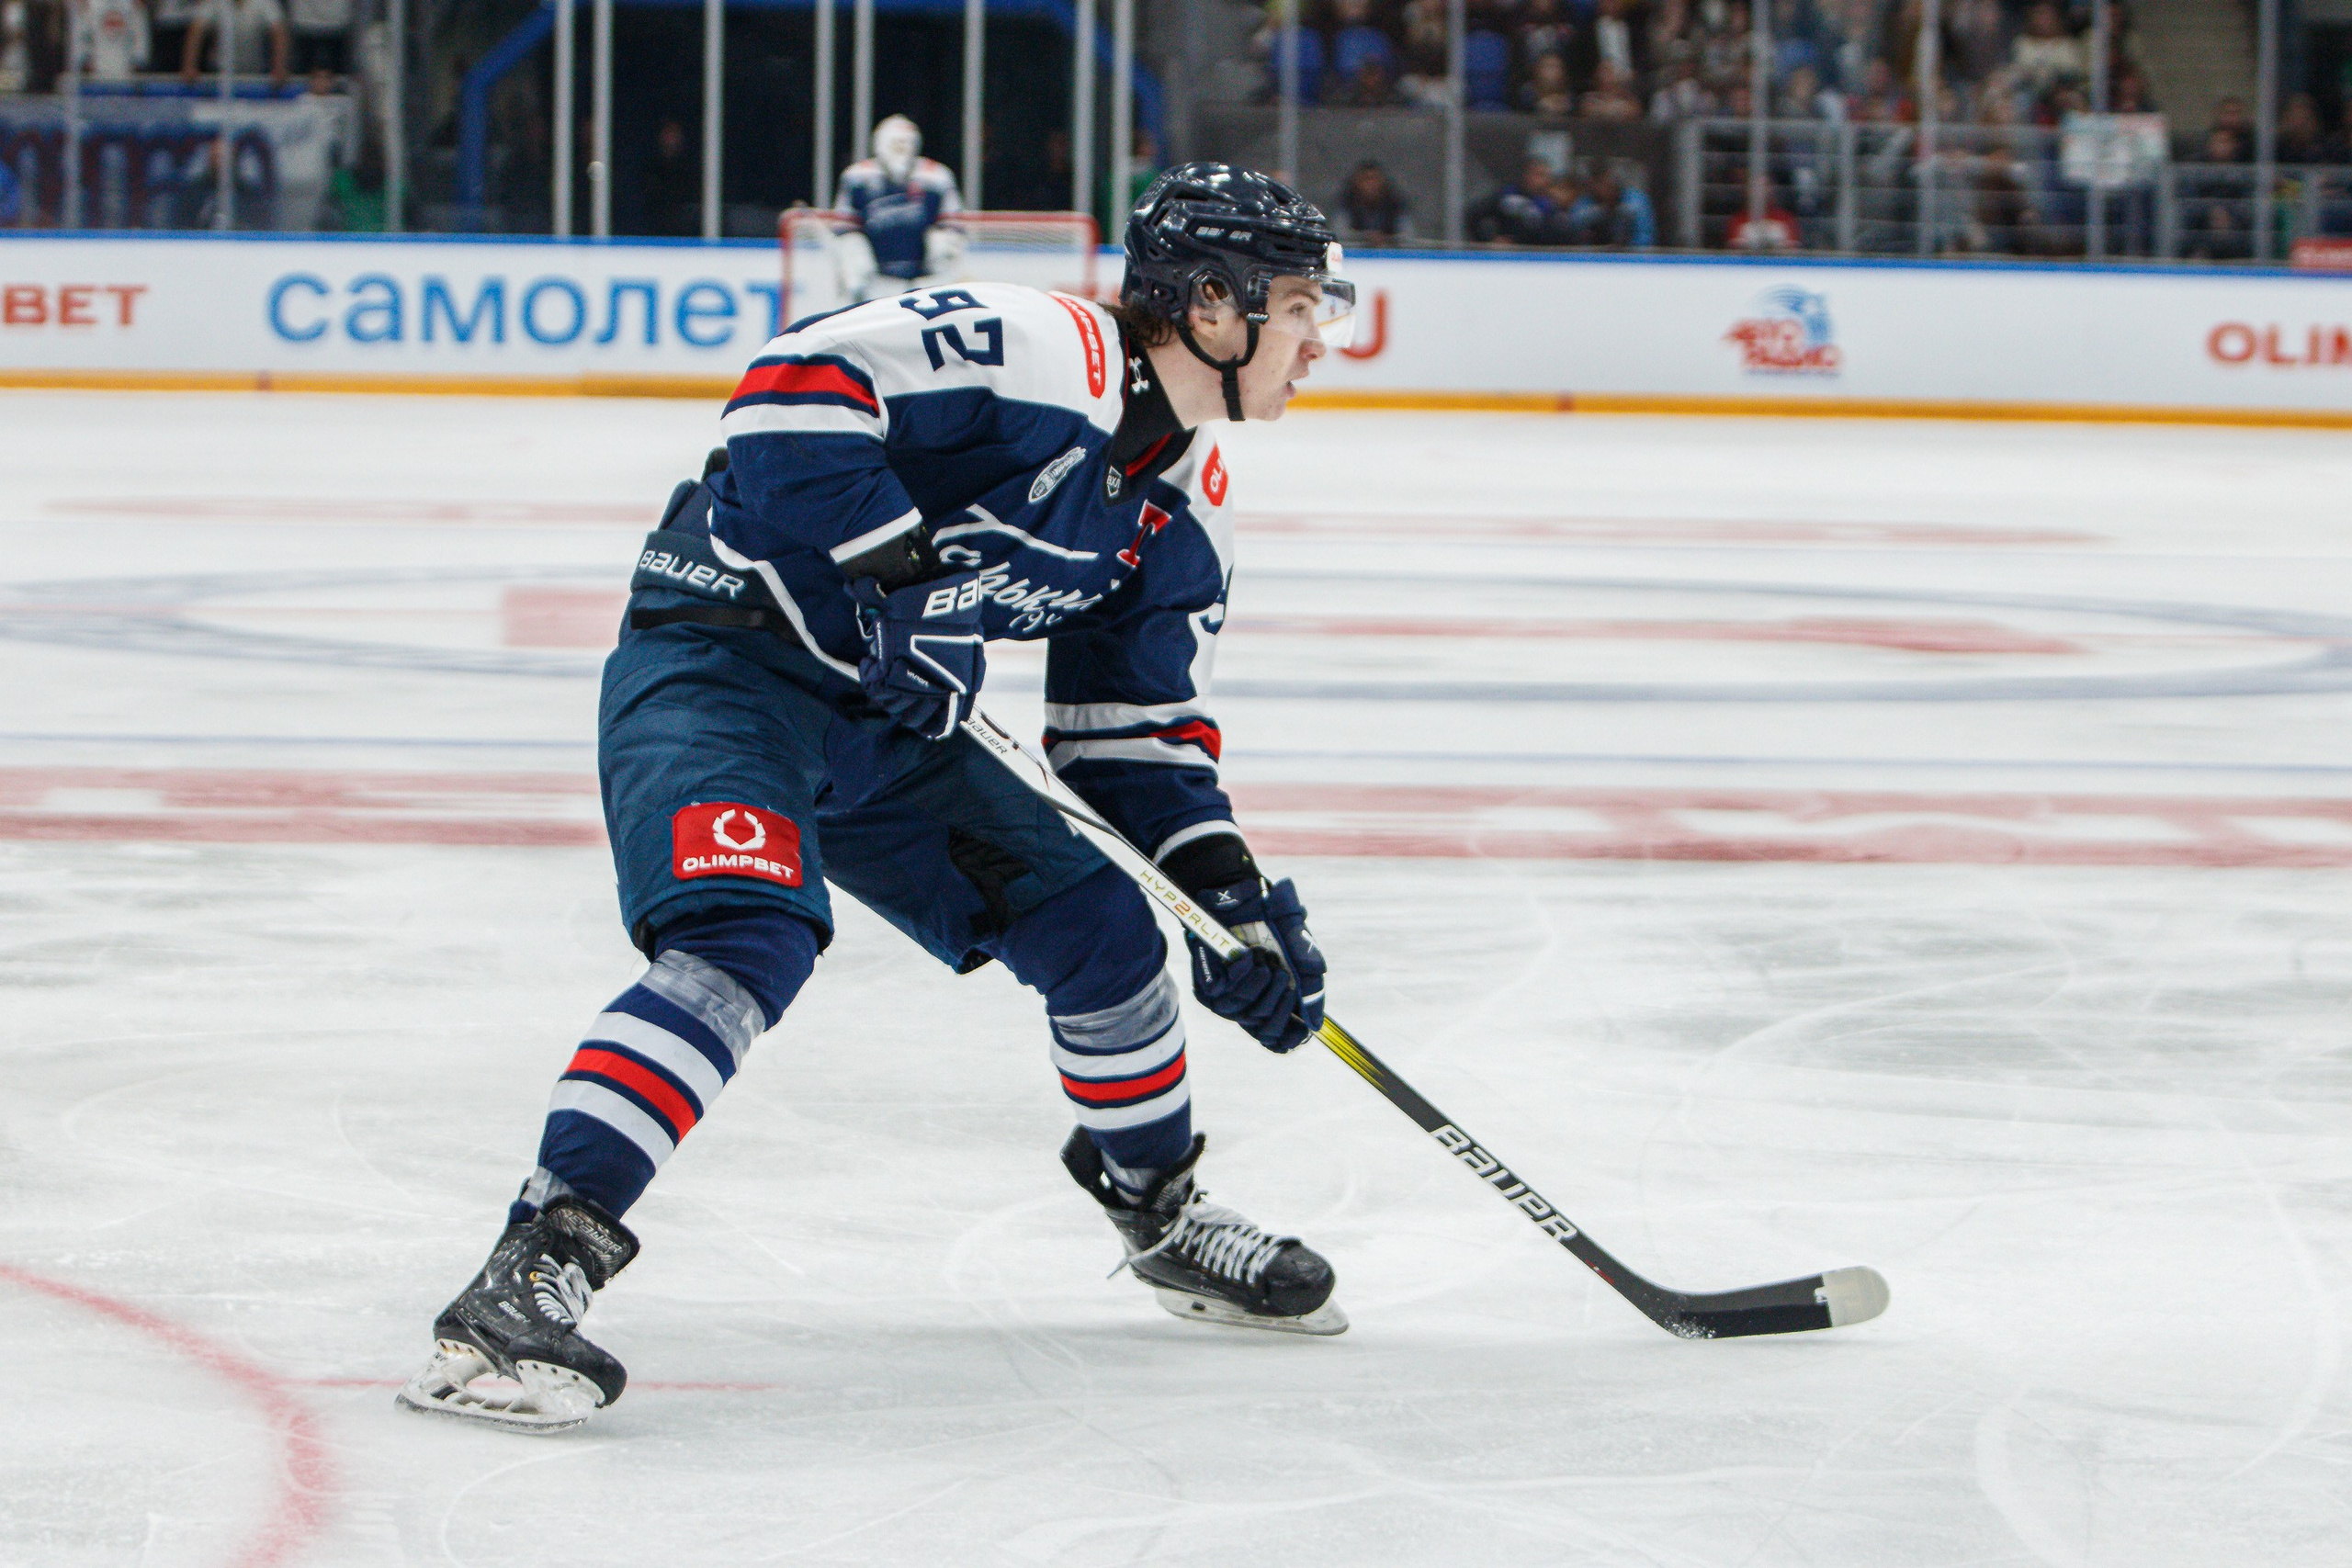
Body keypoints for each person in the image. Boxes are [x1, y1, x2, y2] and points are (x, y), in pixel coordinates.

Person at [397, 162, 1358, 1432]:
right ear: (1215, 307)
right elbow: (793, 388)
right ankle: (532, 1266)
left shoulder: (1183, 507)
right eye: (1298, 306)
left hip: (894, 726)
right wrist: (901, 579)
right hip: (725, 661)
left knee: (1107, 932)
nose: (1317, 340)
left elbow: (1130, 740)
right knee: (745, 934)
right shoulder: (1040, 349)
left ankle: (1161, 1210)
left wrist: (1229, 900)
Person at [832, 114, 966, 303]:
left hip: (925, 282)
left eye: (906, 143)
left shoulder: (938, 178)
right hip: (876, 281)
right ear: (880, 144)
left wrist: (941, 253)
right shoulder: (857, 178)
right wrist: (855, 265)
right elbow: (844, 229)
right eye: (896, 144)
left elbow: (953, 226)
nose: (902, 150)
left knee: (944, 246)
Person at [180, 0, 287, 86]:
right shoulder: (214, 2)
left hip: (255, 73)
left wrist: (279, 66)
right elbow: (196, 31)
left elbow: (279, 32)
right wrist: (189, 66)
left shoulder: (265, 2)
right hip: (218, 73)